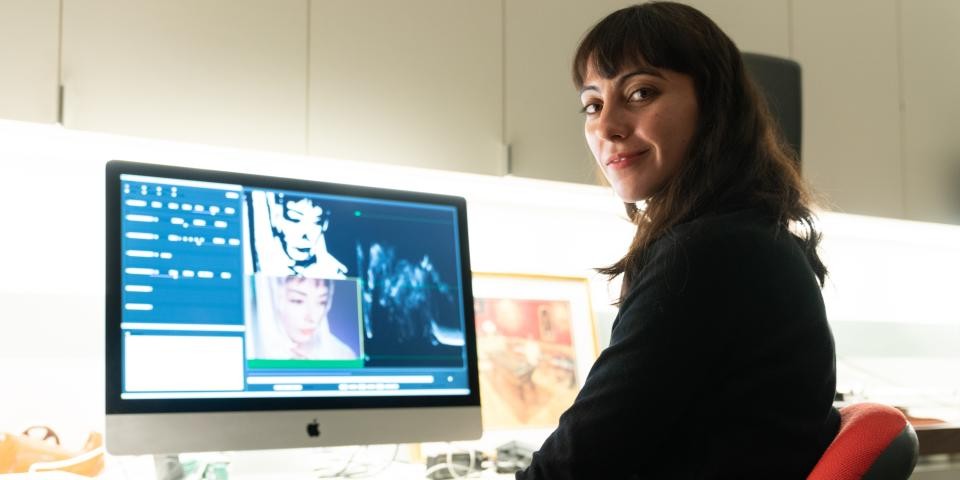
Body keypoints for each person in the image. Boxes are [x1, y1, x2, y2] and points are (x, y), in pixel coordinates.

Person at [516, 3, 840, 479]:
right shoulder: (748, 236)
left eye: (640, 92)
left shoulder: (708, 254)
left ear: (715, 105)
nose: (606, 126)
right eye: (593, 104)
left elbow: (575, 467)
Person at [258, 276, 358, 360]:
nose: (312, 317)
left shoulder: (342, 355)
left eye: (322, 302)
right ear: (275, 300)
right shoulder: (255, 352)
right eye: (298, 301)